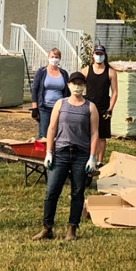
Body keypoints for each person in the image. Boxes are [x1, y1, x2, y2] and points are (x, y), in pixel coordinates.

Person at [32, 71, 99, 242]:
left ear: (84, 86)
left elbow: (94, 133)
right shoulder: (60, 104)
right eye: (74, 83)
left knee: (77, 192)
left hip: (81, 155)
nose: (77, 86)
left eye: (80, 84)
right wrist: (49, 151)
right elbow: (51, 128)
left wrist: (92, 156)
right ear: (68, 85)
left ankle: (72, 228)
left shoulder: (90, 107)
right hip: (61, 153)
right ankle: (47, 228)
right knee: (51, 191)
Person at [80, 44, 117, 168]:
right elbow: (77, 87)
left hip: (103, 108)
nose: (99, 56)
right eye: (97, 54)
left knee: (101, 136)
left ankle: (100, 161)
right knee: (87, 134)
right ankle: (89, 157)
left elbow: (115, 92)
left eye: (101, 54)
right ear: (93, 55)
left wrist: (110, 109)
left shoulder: (111, 72)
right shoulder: (86, 70)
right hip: (89, 107)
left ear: (104, 55)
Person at [30, 48, 70, 139]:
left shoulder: (64, 73)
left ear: (60, 59)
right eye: (52, 56)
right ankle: (40, 152)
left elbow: (67, 91)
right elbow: (35, 90)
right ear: (48, 57)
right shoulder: (41, 72)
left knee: (58, 133)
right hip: (44, 108)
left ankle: (54, 152)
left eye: (57, 57)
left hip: (60, 108)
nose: (54, 59)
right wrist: (34, 108)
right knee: (43, 134)